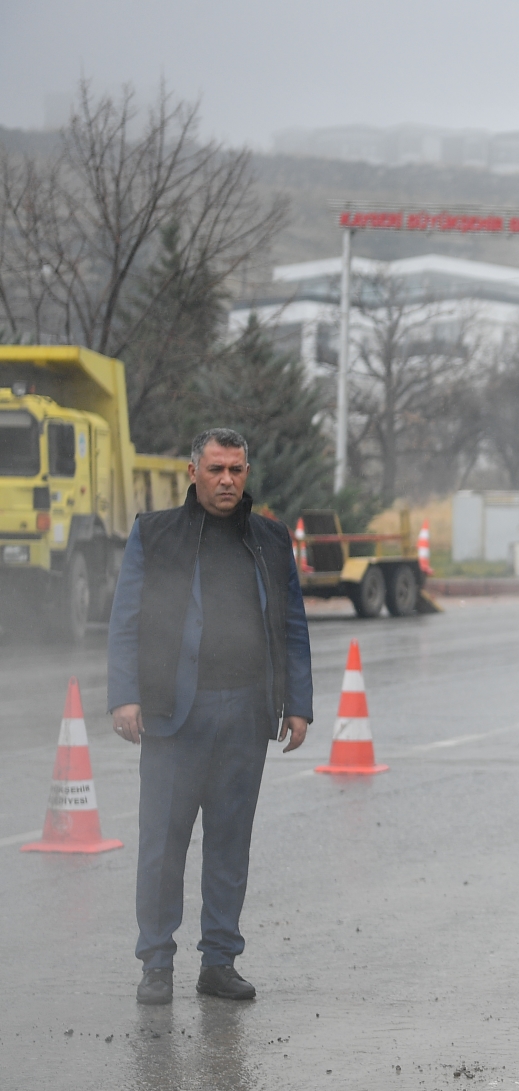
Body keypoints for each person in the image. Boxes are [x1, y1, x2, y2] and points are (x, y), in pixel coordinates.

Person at [108, 427, 312, 1006]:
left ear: (247, 473)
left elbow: (293, 626)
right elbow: (126, 620)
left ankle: (219, 962)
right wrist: (125, 695)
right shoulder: (156, 534)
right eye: (217, 469)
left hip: (246, 713)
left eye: (237, 470)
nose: (227, 480)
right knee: (163, 844)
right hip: (175, 715)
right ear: (192, 472)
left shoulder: (270, 540)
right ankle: (156, 963)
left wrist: (297, 704)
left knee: (230, 842)